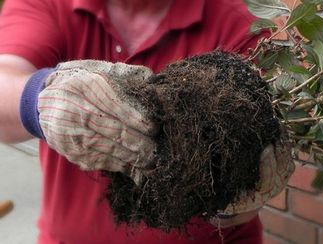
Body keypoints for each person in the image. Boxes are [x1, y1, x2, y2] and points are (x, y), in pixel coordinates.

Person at [0, 0, 293, 243]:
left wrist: (237, 189)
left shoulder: (237, 21)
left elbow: (256, 138)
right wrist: (40, 99)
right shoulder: (48, 3)